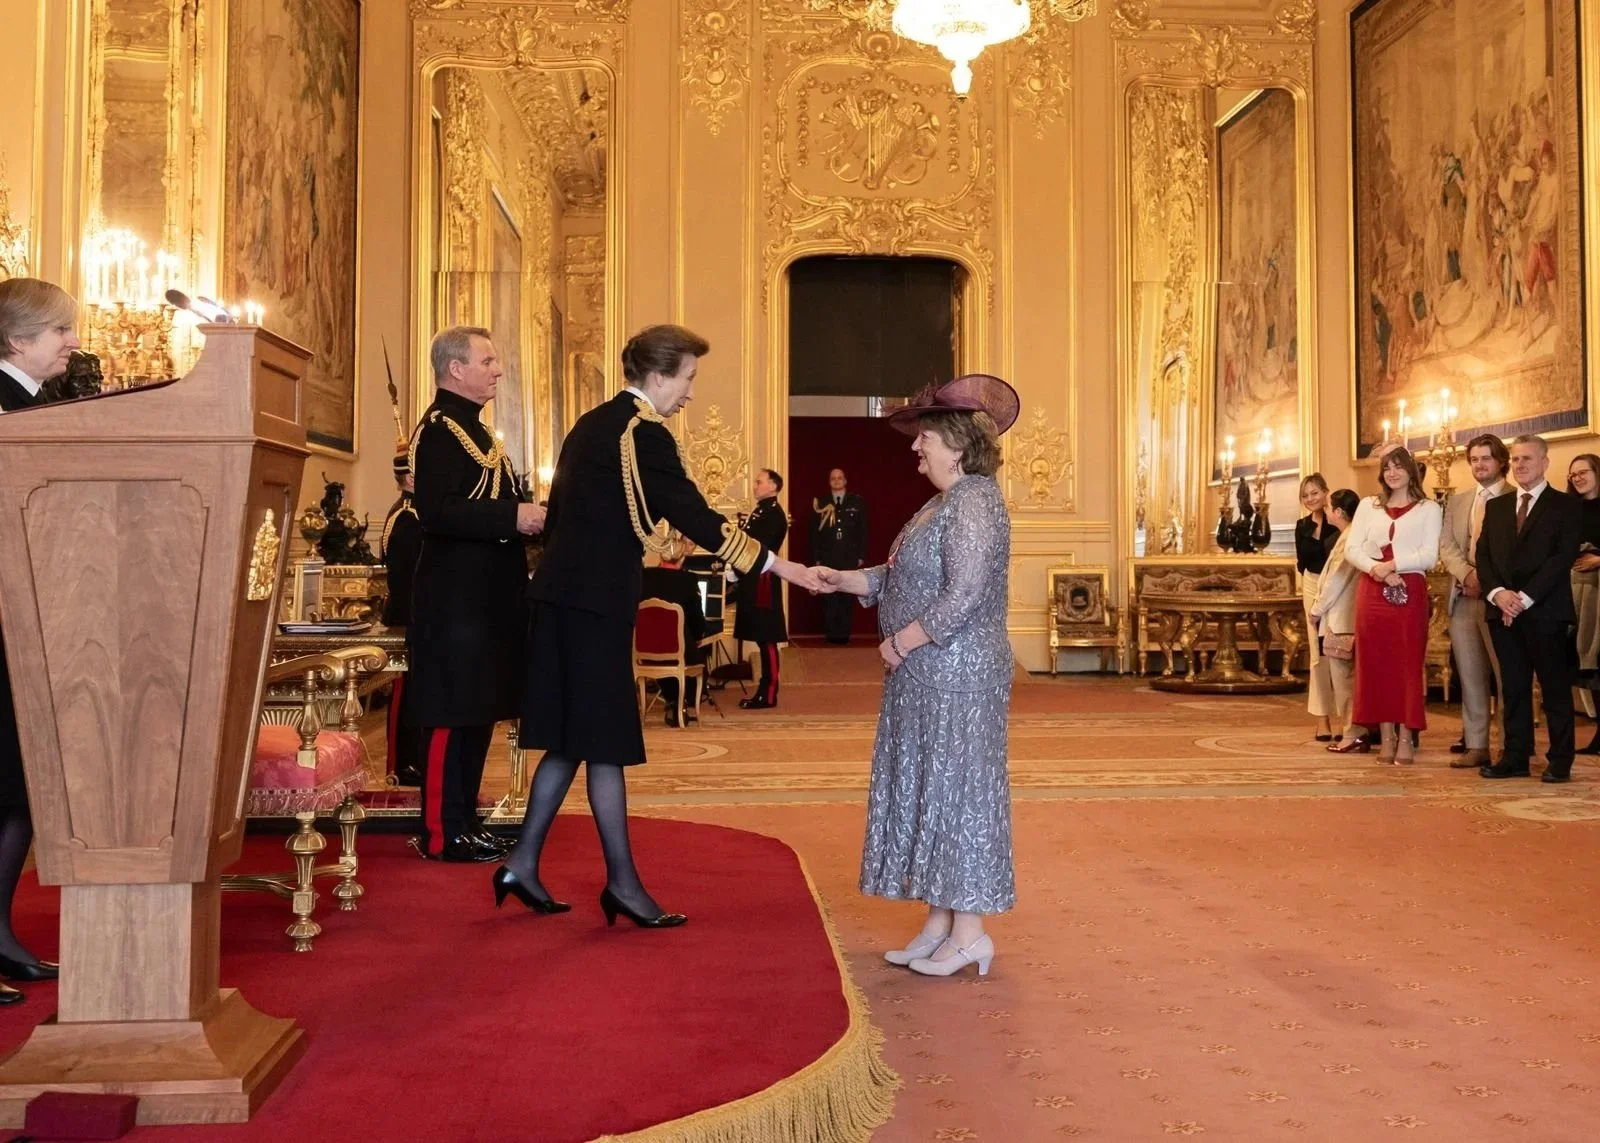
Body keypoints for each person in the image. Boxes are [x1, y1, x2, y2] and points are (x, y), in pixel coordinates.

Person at [497, 325, 821, 926]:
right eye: (689, 378)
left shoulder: (592, 424)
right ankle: (621, 884)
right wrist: (786, 568)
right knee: (606, 742)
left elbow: (561, 517)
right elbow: (696, 515)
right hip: (594, 609)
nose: (691, 393)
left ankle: (523, 862)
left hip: (564, 603)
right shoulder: (644, 435)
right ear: (659, 376)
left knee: (573, 741)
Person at [815, 375, 1019, 979]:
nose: (915, 448)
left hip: (959, 674)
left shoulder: (977, 499)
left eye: (924, 436)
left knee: (959, 795)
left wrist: (901, 641)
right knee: (933, 791)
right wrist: (846, 578)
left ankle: (972, 934)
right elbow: (907, 574)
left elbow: (965, 593)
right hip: (926, 674)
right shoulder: (942, 501)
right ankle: (940, 922)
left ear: (956, 445)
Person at [407, 326, 544, 861]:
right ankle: (442, 832)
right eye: (487, 361)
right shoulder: (439, 430)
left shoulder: (480, 434)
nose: (498, 370)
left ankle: (465, 819)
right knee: (450, 712)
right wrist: (515, 514)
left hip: (487, 600)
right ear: (456, 369)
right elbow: (437, 512)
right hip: (453, 603)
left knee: (478, 711)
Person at [0, 277, 81, 1003]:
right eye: (61, 331)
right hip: (6, 619)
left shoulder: (35, 404)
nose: (74, 341)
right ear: (19, 340)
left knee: (21, 787)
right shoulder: (7, 409)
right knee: (10, 786)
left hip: (32, 615)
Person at [1476, 434, 1582, 782]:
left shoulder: (1564, 506)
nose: (1521, 465)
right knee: (1514, 687)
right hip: (1502, 612)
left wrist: (1522, 599)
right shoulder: (1497, 506)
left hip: (1545, 611)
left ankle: (1560, 759)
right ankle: (1516, 756)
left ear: (1544, 462)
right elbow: (1484, 557)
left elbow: (1561, 557)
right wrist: (1498, 594)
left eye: (1528, 459)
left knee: (1553, 688)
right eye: (1516, 459)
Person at [1345, 447, 1442, 765]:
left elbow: (1428, 555)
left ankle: (1405, 738)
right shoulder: (1367, 506)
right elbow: (1352, 549)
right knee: (1375, 666)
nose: (1393, 473)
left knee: (1406, 666)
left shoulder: (1428, 509)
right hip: (1372, 592)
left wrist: (1393, 565)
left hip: (1409, 591)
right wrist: (1377, 570)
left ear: (1411, 471)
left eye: (1399, 467)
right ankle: (1384, 737)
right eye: (1387, 467)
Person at [1437, 435, 1511, 768]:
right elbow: (1447, 545)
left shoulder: (1516, 497)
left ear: (1501, 462)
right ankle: (1477, 745)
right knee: (1470, 675)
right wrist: (1467, 575)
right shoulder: (1459, 501)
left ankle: (1512, 745)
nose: (1479, 465)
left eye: (1486, 458)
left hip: (1502, 602)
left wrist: (1488, 581)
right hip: (1463, 598)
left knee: (1507, 675)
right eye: (1474, 459)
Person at [380, 430, 424, 787]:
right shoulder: (408, 517)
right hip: (410, 621)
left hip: (420, 619)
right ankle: (403, 765)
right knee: (407, 696)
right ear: (410, 477)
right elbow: (408, 581)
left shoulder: (419, 512)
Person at [1309, 489, 1368, 753]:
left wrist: (1317, 609)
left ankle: (1352, 732)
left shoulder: (1351, 538)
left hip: (1342, 619)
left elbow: (1337, 579)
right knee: (1344, 678)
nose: (1326, 509)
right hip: (1340, 618)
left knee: (1344, 680)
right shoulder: (1347, 535)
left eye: (1330, 506)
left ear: (1340, 512)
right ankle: (1355, 730)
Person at [735, 468, 789, 709]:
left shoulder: (773, 514)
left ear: (772, 486)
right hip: (754, 579)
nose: (755, 486)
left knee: (766, 638)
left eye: (759, 482)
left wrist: (737, 569)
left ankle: (768, 693)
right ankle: (764, 691)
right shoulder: (760, 512)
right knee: (761, 637)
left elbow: (758, 549)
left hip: (763, 582)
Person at [640, 535, 707, 727]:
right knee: (696, 650)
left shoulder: (643, 577)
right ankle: (683, 702)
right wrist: (699, 636)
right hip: (679, 652)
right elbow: (696, 620)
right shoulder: (687, 580)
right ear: (682, 558)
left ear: (661, 556)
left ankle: (672, 700)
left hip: (645, 652)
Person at [1295, 474, 1340, 740]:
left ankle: (1349, 718)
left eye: (1315, 493)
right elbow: (1302, 562)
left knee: (1341, 652)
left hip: (1337, 585)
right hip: (1311, 585)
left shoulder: (1337, 522)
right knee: (1317, 655)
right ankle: (1322, 720)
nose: (1311, 499)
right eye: (1306, 495)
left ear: (1325, 492)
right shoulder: (1301, 525)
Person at [1565, 454, 1600, 754]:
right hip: (1576, 591)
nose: (1577, 478)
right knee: (1585, 665)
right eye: (1573, 474)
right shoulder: (1569, 510)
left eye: (1583, 472)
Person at [812, 468, 868, 644]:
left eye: (840, 478)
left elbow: (863, 530)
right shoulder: (820, 503)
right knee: (829, 597)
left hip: (848, 556)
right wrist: (816, 557)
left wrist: (861, 555)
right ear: (829, 482)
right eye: (833, 478)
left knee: (846, 595)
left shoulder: (856, 502)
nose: (836, 481)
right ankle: (831, 636)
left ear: (845, 481)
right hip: (828, 556)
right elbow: (814, 534)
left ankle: (844, 636)